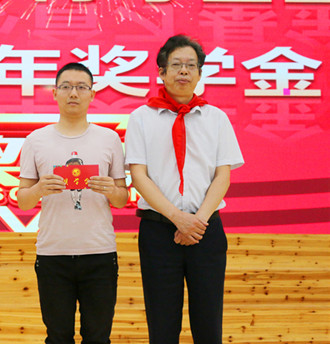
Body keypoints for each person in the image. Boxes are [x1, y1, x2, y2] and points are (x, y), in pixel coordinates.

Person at [125, 35, 244, 344]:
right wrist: (178, 218)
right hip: (158, 232)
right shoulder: (141, 118)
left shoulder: (216, 118)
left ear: (199, 73)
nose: (183, 71)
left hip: (206, 231)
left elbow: (222, 175)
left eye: (191, 65)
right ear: (161, 72)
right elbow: (138, 175)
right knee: (162, 326)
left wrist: (196, 222)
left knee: (208, 324)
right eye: (176, 64)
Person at [17, 62, 128, 344]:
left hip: (100, 252)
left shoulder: (109, 138)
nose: (73, 93)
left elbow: (122, 198)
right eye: (66, 87)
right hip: (53, 254)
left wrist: (111, 190)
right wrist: (39, 189)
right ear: (55, 93)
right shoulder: (36, 140)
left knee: (98, 338)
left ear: (92, 94)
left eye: (81, 87)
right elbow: (23, 200)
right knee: (57, 337)